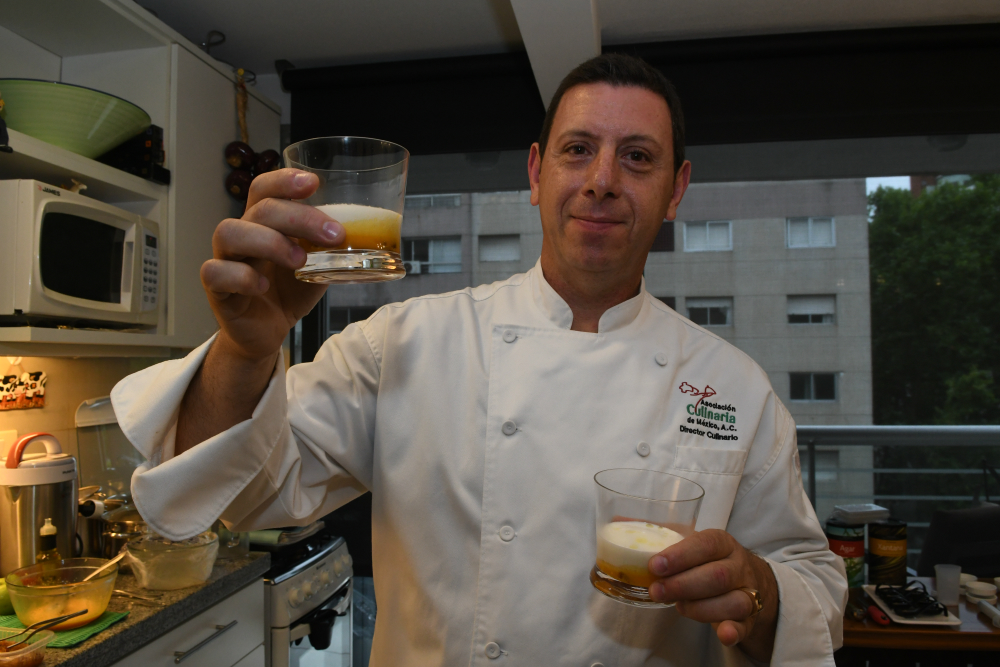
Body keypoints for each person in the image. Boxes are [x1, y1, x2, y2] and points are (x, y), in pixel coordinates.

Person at [112, 53, 847, 666]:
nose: (601, 180)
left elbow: (814, 583)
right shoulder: (404, 343)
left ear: (676, 190)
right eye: (577, 149)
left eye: (639, 157)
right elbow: (243, 495)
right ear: (535, 174)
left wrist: (759, 589)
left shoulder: (734, 388)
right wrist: (246, 350)